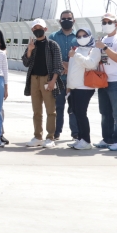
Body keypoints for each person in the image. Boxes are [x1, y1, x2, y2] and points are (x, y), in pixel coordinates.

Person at [22, 18, 64, 148]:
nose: (37, 30)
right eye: (34, 28)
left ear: (45, 29)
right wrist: (29, 50)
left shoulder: (52, 45)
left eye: (39, 28)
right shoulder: (32, 45)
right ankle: (37, 136)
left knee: (51, 110)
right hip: (34, 79)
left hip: (47, 79)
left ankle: (50, 137)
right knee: (36, 110)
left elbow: (58, 66)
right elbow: (25, 62)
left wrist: (53, 81)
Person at [94, 13, 117, 151]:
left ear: (116, 24)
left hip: (116, 80)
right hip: (103, 80)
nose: (106, 24)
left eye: (110, 22)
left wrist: (104, 47)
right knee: (105, 112)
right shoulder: (103, 38)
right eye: (104, 22)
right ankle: (107, 138)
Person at [65, 28, 101, 150]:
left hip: (85, 87)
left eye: (84, 35)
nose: (81, 38)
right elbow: (71, 70)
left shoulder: (94, 50)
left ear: (90, 36)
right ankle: (80, 138)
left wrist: (76, 55)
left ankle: (86, 140)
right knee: (75, 113)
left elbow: (91, 64)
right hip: (74, 86)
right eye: (78, 36)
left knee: (81, 113)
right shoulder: (76, 49)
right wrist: (68, 87)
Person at [49, 10, 79, 140]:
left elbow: (84, 55)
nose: (66, 20)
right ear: (60, 20)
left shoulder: (79, 37)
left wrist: (70, 66)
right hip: (58, 79)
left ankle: (76, 132)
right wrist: (63, 65)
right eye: (64, 18)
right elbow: (49, 55)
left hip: (75, 79)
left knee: (74, 107)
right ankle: (56, 132)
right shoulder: (53, 36)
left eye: (69, 18)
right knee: (58, 106)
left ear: (74, 20)